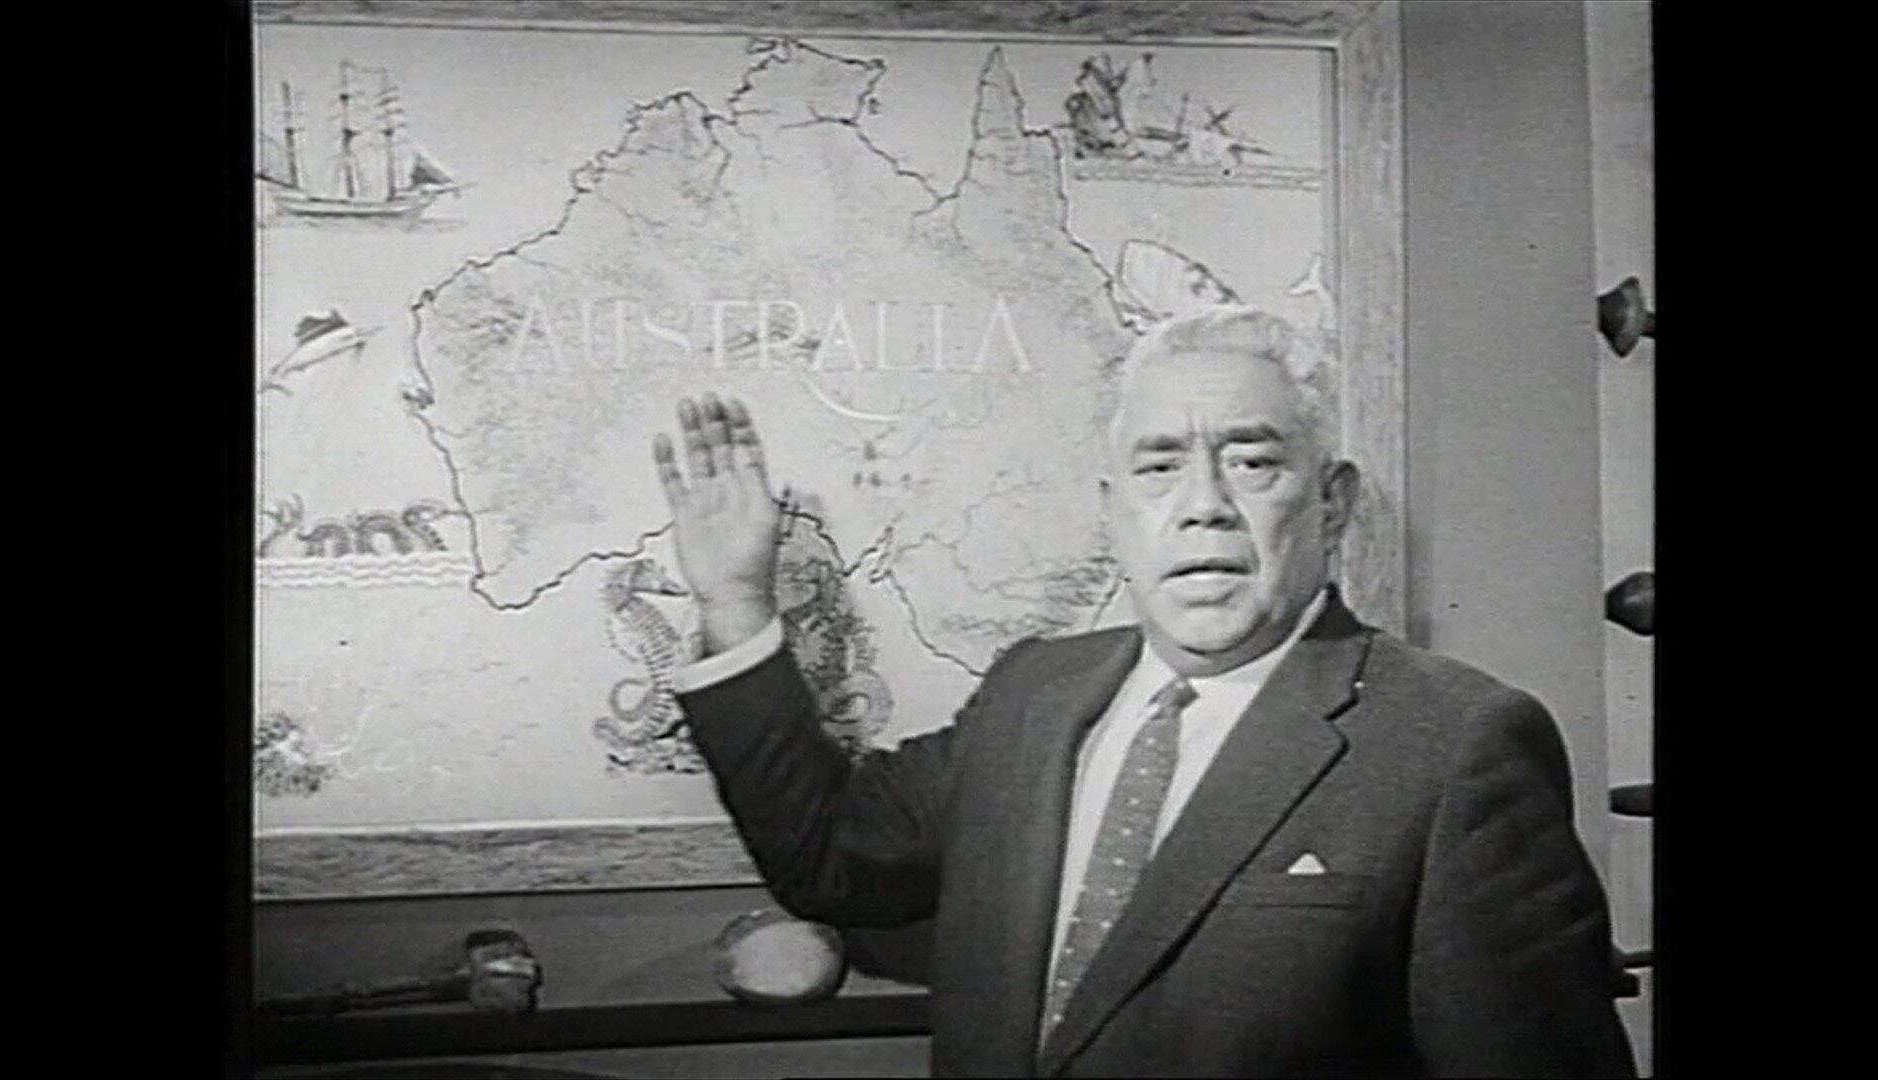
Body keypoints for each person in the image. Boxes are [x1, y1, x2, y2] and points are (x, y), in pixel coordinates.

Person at [650, 305, 1636, 1078]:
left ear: (1330, 504)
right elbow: (830, 860)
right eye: (1159, 466)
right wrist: (736, 602)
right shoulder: (1035, 693)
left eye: (1251, 462)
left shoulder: (1456, 743)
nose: (1203, 505)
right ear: (1113, 512)